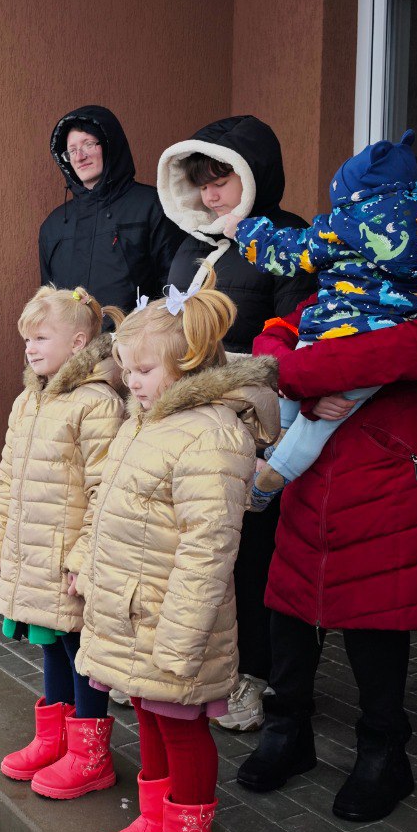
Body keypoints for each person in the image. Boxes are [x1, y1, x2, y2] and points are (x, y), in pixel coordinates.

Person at [237, 157, 417, 823]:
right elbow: (288, 328)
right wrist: (287, 368)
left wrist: (303, 372)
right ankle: (289, 730)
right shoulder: (351, 272)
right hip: (319, 468)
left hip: (392, 468)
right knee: (290, 601)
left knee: (376, 615)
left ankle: (383, 754)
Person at [69, 268, 278, 832]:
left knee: (182, 727)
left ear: (187, 367)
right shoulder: (148, 420)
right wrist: (88, 560)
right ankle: (159, 821)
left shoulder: (210, 436)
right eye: (127, 369)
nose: (130, 382)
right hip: (137, 611)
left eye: (143, 370)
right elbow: (108, 501)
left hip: (175, 618)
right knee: (150, 714)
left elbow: (210, 545)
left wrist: (183, 635)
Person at [224, 129, 417, 510]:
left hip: (328, 329)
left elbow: (288, 251)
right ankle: (273, 473)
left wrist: (244, 230)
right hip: (386, 332)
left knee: (286, 408)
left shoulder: (339, 225)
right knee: (318, 424)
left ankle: (265, 461)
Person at [157, 115, 316, 732]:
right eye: (201, 182)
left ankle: (256, 675)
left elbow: (294, 336)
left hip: (258, 428)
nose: (210, 194)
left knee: (254, 557)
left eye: (221, 180)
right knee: (200, 549)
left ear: (253, 177)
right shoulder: (190, 246)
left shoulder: (289, 240)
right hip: (191, 428)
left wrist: (226, 377)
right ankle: (202, 666)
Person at [0, 286, 125, 799]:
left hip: (68, 558)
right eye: (27, 340)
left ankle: (91, 754)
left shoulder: (96, 403)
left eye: (42, 338)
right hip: (35, 552)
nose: (31, 348)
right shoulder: (29, 401)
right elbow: (8, 478)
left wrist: (83, 557)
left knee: (78, 646)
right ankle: (55, 738)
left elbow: (105, 490)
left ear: (80, 341)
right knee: (52, 641)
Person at [39, 105, 184, 315]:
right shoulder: (53, 226)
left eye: (88, 144)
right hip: (72, 346)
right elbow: (47, 300)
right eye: (72, 150)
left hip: (133, 343)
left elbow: (173, 287)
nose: (80, 157)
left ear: (109, 145)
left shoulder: (151, 206)